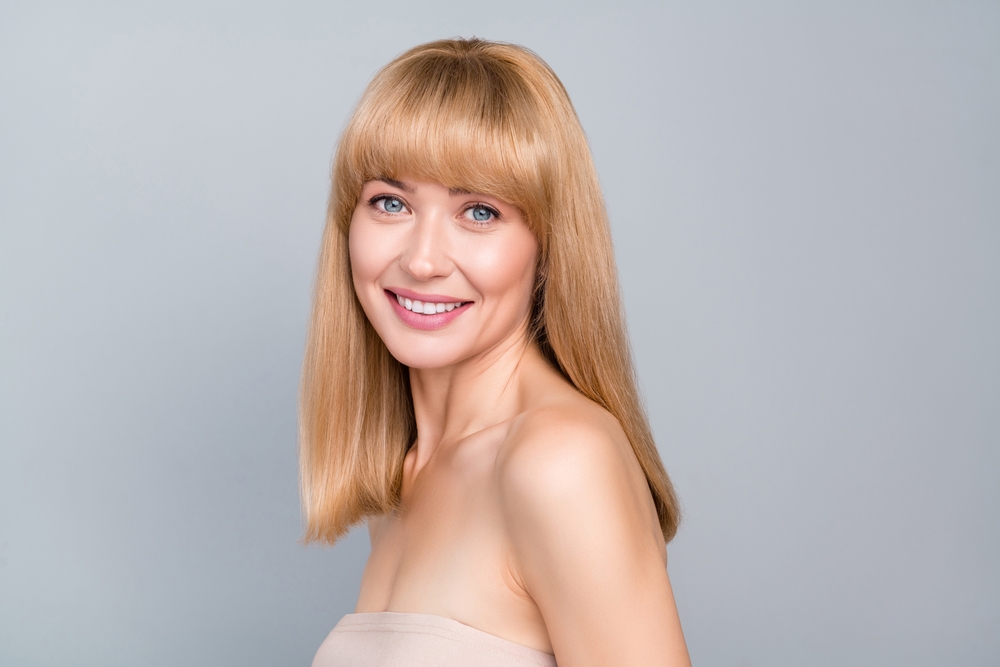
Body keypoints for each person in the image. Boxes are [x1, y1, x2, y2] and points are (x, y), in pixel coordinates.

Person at [301, 38, 691, 667]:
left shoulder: (559, 462)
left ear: (547, 245)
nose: (422, 260)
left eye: (479, 211)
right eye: (390, 203)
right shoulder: (409, 479)